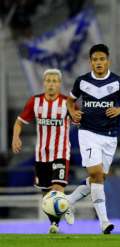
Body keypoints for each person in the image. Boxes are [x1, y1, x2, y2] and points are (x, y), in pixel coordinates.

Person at [66, 44, 120, 234]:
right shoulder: (81, 82)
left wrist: (119, 109)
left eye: (102, 59)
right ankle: (104, 222)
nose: (98, 63)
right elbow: (70, 100)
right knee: (96, 174)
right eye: (95, 60)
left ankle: (67, 202)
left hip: (110, 137)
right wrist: (72, 112)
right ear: (90, 62)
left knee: (98, 178)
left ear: (108, 61)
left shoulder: (117, 81)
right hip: (88, 133)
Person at [11, 69, 74, 234]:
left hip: (61, 152)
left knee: (57, 187)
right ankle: (58, 217)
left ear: (59, 84)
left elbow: (81, 120)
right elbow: (19, 122)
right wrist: (15, 138)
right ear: (44, 83)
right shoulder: (35, 101)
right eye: (48, 81)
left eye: (55, 81)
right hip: (41, 155)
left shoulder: (67, 102)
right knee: (46, 194)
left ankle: (57, 219)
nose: (51, 84)